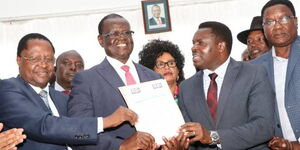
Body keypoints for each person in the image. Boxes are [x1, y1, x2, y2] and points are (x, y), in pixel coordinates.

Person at [0, 33, 139, 150]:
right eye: (35, 58)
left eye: (48, 59)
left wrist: (120, 145)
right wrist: (106, 121)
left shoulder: (63, 99)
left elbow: (76, 133)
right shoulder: (7, 89)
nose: (43, 64)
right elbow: (44, 126)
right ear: (19, 60)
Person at [67, 13, 163, 150]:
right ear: (101, 40)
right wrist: (121, 146)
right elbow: (78, 132)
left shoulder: (154, 77)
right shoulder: (86, 80)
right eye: (114, 34)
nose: (122, 38)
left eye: (126, 33)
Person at [178, 21, 275, 149]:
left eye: (200, 43)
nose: (193, 48)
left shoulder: (253, 74)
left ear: (221, 46)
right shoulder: (186, 88)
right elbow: (190, 141)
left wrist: (213, 137)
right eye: (193, 43)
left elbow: (264, 127)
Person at [251, 0, 300, 149]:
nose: (277, 26)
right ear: (264, 29)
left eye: (284, 19)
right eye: (270, 22)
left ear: (296, 22)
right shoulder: (254, 68)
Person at [139, 39, 185, 103]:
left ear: (178, 70)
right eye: (160, 64)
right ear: (151, 71)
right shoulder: (145, 99)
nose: (167, 67)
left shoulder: (189, 93)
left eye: (171, 63)